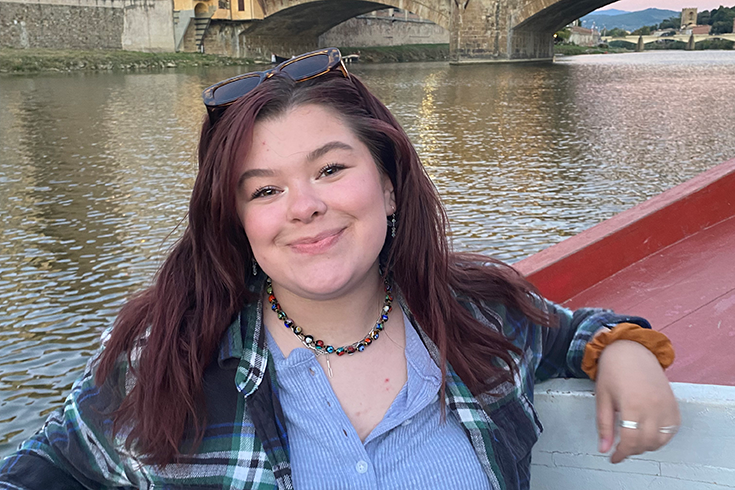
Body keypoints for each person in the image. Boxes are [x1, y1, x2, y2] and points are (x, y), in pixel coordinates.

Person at [0, 48, 679, 490]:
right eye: (263, 190)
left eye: (330, 169)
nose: (304, 207)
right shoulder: (167, 355)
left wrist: (622, 347)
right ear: (236, 222)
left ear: (387, 185)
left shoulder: (479, 317)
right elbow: (46, 470)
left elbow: (573, 330)